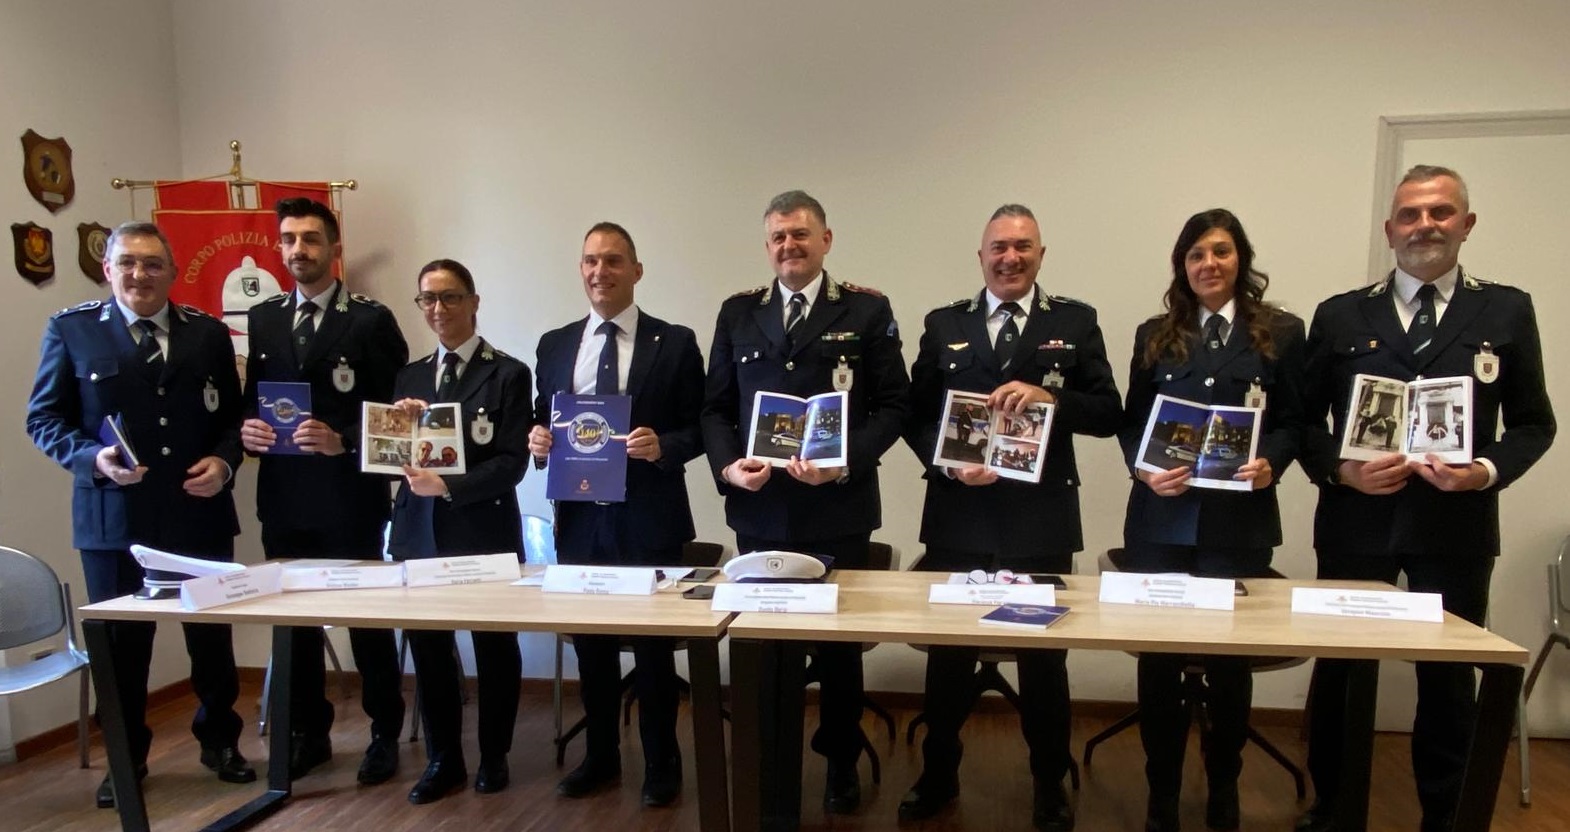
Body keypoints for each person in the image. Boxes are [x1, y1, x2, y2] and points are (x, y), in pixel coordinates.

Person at [1296, 165, 1555, 832]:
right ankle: (1332, 809)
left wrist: (1484, 472)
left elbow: (1534, 424)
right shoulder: (1340, 314)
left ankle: (1447, 815)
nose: (1425, 226)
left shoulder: (1505, 310)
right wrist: (1341, 472)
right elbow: (1302, 422)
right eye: (1410, 215)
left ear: (1467, 224)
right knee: (1341, 673)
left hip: (1455, 524)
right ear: (1390, 230)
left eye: (1440, 212)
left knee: (1449, 679)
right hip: (1356, 523)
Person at [900, 204, 1120, 831]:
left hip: (1039, 518)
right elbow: (913, 415)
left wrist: (1053, 396)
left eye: (1023, 246)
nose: (1010, 257)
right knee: (948, 656)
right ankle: (937, 774)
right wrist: (948, 465)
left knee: (1043, 659)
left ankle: (1049, 783)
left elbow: (1109, 411)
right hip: (959, 514)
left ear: (1041, 255)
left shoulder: (1074, 321)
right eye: (998, 247)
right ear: (982, 257)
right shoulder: (945, 323)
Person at [26, 221, 254, 807]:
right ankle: (125, 759)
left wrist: (224, 463)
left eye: (153, 264)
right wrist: (93, 460)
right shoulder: (72, 330)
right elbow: (43, 420)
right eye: (127, 262)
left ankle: (221, 743)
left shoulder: (207, 334)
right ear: (107, 269)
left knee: (211, 643)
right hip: (114, 523)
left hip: (198, 514)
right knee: (121, 651)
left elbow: (234, 420)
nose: (139, 274)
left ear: (172, 273)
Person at [700, 190, 910, 813]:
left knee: (840, 651)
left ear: (826, 240)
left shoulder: (866, 310)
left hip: (838, 509)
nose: (788, 246)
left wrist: (844, 462)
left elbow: (894, 406)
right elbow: (715, 409)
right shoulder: (739, 312)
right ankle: (767, 761)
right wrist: (728, 468)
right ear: (767, 246)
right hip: (761, 510)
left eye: (800, 234)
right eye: (778, 237)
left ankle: (841, 761)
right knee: (764, 651)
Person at [1118, 209, 1305, 831]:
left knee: (1230, 664)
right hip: (1160, 520)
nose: (1209, 264)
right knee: (1158, 662)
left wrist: (1272, 462)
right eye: (1196, 254)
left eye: (1221, 251)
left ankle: (1224, 785)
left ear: (1240, 259)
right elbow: (1132, 423)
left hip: (1238, 522)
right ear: (1183, 265)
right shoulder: (1155, 334)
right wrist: (1143, 469)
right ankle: (1162, 792)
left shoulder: (1281, 331)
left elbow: (1295, 421)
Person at [529, 222, 706, 807]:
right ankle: (600, 757)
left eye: (612, 260)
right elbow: (543, 417)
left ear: (636, 270)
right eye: (590, 261)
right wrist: (537, 441)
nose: (599, 271)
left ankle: (662, 764)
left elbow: (701, 425)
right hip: (580, 519)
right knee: (593, 649)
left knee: (654, 653)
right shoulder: (555, 344)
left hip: (648, 517)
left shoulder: (673, 342)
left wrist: (663, 446)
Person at [238, 198, 408, 785]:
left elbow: (396, 415)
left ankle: (384, 732)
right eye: (288, 239)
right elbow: (253, 401)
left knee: (367, 621)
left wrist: (346, 443)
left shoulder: (369, 321)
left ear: (335, 249)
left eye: (310, 239)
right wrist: (248, 430)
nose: (298, 250)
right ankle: (308, 733)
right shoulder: (263, 318)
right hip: (284, 499)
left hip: (349, 499)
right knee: (296, 625)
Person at [387, 259, 532, 804]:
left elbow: (512, 462)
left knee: (495, 650)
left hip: (483, 532)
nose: (438, 308)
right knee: (429, 652)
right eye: (427, 299)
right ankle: (443, 759)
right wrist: (398, 433)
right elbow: (392, 460)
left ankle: (494, 756)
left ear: (474, 302)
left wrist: (448, 486)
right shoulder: (409, 376)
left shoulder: (507, 373)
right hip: (418, 535)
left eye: (449, 297)